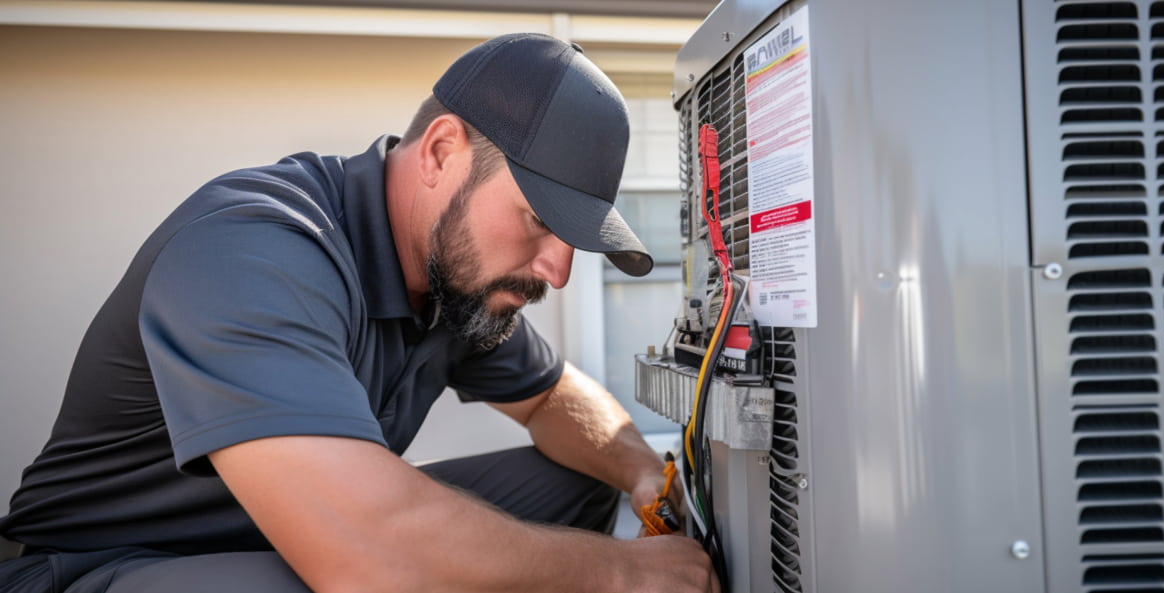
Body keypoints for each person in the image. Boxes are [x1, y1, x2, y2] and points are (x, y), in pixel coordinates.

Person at [0, 33, 718, 593]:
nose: (558, 271)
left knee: (576, 477)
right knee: (385, 574)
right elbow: (370, 558)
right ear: (441, 152)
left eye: (573, 242)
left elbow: (552, 397)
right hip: (99, 567)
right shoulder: (252, 253)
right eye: (537, 221)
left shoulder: (452, 284)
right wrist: (624, 573)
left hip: (288, 541)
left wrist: (645, 474)